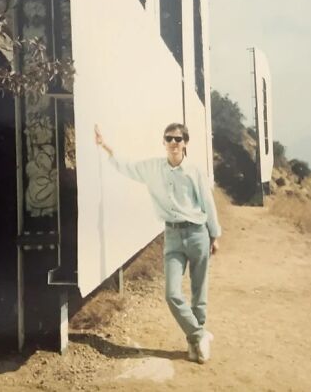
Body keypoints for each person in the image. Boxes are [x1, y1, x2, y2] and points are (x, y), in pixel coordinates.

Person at [94, 121, 221, 364]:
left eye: (178, 139)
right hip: (172, 236)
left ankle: (194, 344)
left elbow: (208, 203)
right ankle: (199, 334)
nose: (173, 143)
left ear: (185, 143)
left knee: (199, 293)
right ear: (163, 142)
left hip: (197, 233)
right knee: (172, 293)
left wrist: (214, 235)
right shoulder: (153, 168)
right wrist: (105, 146)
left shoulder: (194, 171)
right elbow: (127, 166)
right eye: (169, 138)